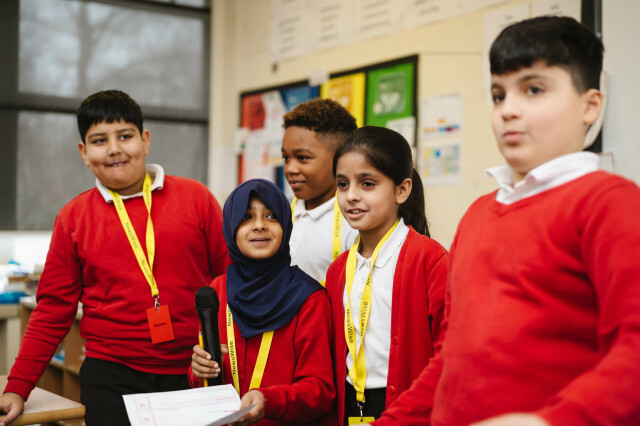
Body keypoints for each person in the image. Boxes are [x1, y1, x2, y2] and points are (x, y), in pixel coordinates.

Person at [373, 16, 640, 426]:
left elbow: (632, 350)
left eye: (534, 89)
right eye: (498, 95)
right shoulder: (479, 214)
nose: (508, 110)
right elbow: (451, 355)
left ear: (590, 106)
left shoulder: (609, 203)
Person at [0, 90, 230, 426]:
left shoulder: (197, 199)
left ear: (145, 140)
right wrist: (17, 388)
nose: (114, 149)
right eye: (99, 140)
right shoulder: (73, 218)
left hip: (195, 368)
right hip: (111, 377)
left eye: (125, 136)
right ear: (83, 152)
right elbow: (52, 311)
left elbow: (231, 282)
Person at [324, 126, 448, 425]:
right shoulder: (338, 270)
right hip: (352, 407)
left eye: (367, 184)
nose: (351, 196)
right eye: (342, 184)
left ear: (402, 190)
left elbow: (449, 352)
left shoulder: (428, 259)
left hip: (410, 409)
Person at [189, 179, 335, 425]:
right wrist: (198, 371)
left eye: (271, 216)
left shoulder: (309, 298)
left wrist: (269, 401)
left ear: (286, 225)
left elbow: (319, 390)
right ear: (231, 227)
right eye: (246, 217)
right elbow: (207, 378)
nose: (259, 226)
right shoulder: (218, 291)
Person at [281, 99, 359, 283]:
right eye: (286, 158)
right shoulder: (280, 214)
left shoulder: (354, 221)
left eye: (302, 158)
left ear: (340, 158)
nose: (290, 168)